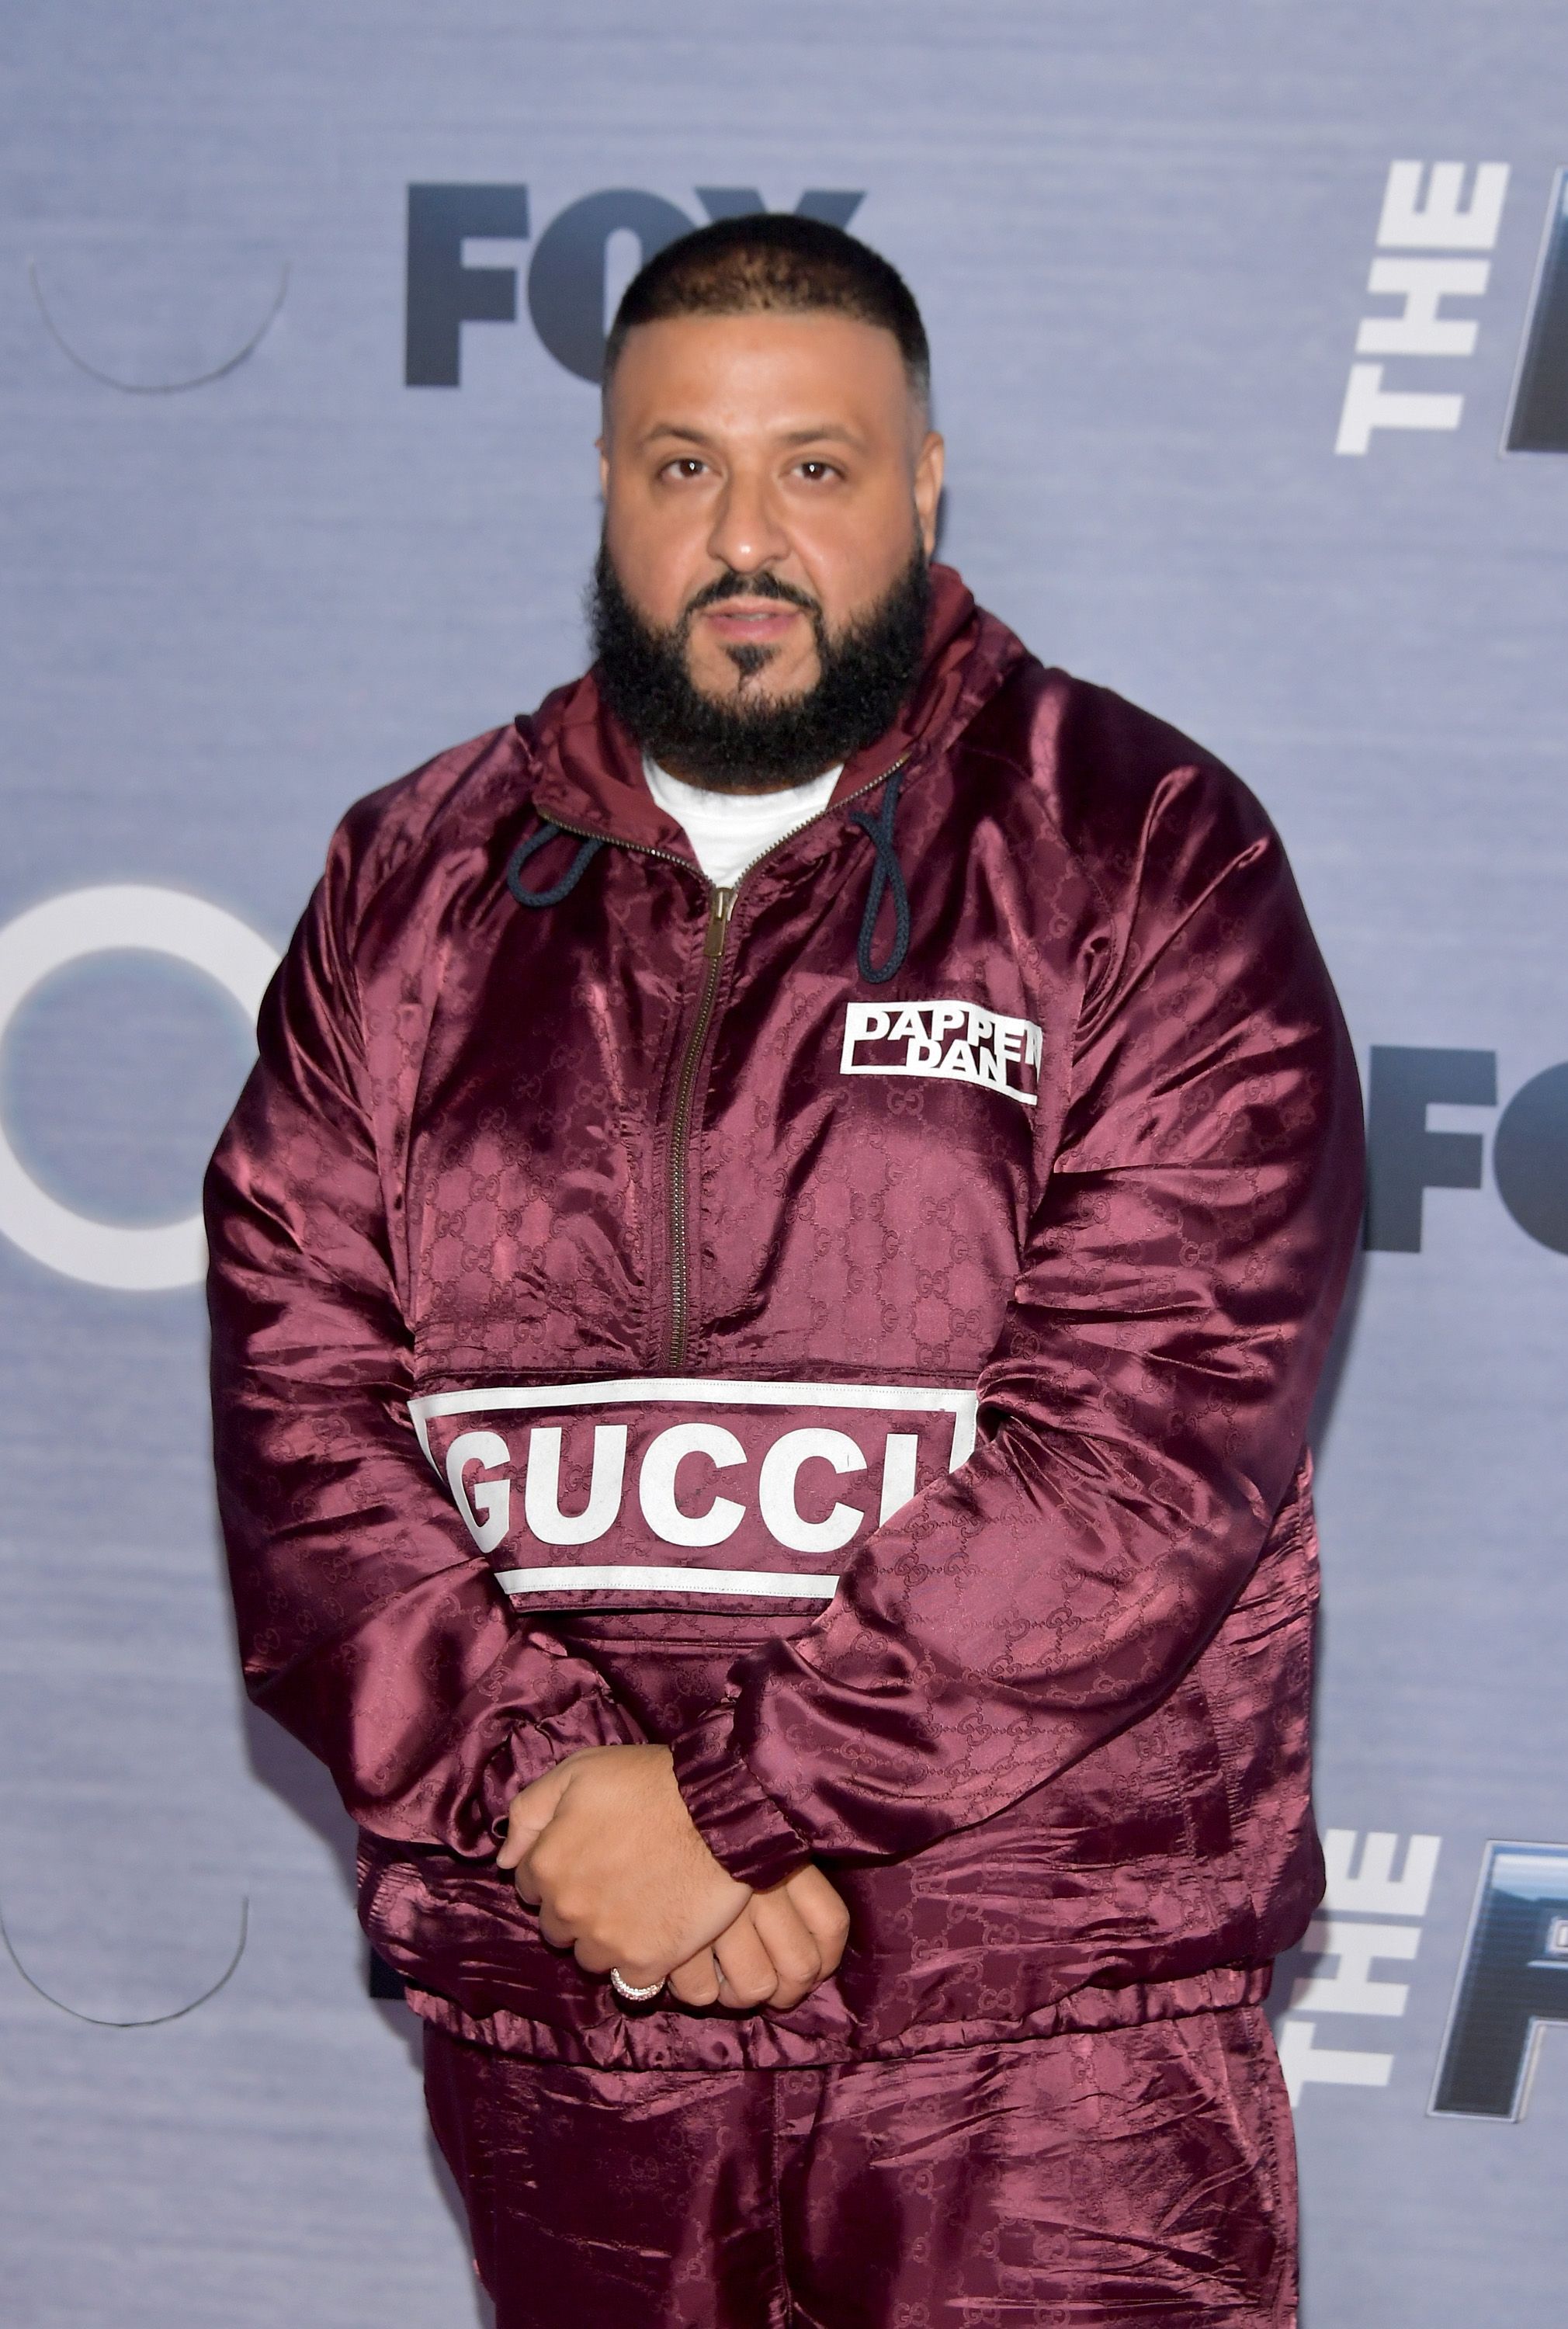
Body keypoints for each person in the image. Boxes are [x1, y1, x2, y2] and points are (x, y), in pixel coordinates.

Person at [206, 213, 1363, 2327]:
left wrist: (732, 1805)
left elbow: (1146, 1443)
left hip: (1036, 2023)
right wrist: (558, 1801)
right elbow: (303, 1418)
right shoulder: (409, 883)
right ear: (605, 488)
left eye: (814, 468)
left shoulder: (1142, 844)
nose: (747, 538)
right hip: (574, 1998)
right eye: (686, 468)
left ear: (924, 485)